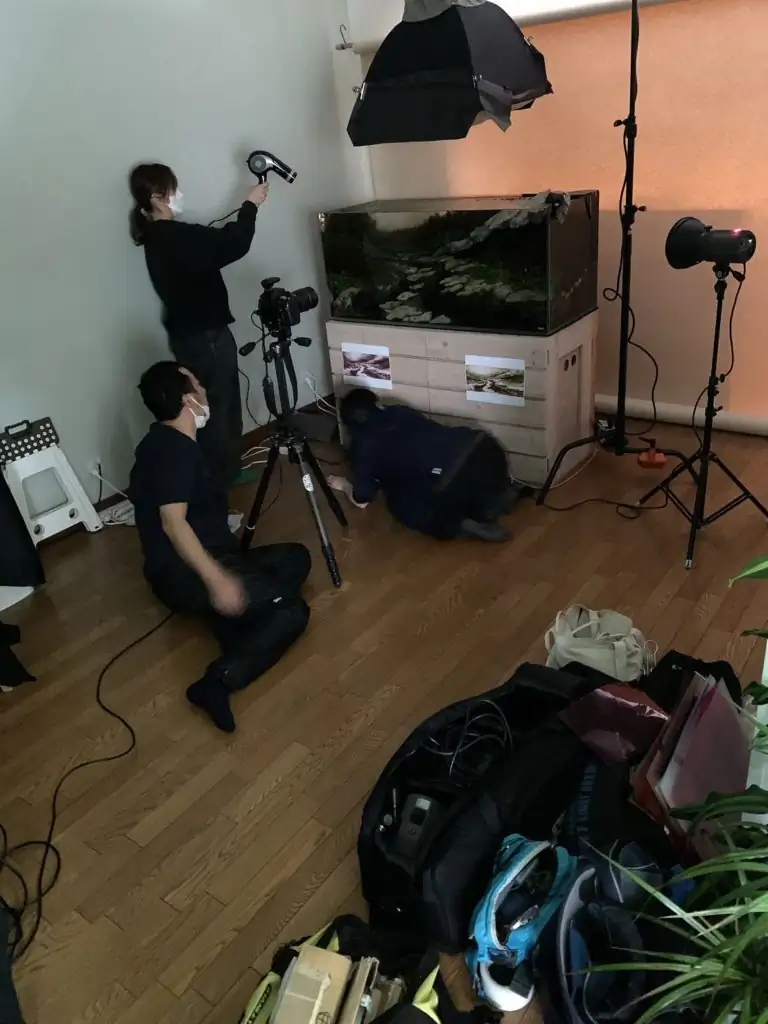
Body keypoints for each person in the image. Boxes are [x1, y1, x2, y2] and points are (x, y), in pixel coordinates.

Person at [129, 361, 311, 733]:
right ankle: (217, 680)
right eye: (198, 385)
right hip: (182, 573)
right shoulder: (172, 452)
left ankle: (237, 618)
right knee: (291, 611)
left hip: (217, 553)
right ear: (187, 400)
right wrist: (218, 581)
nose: (205, 391)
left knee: (296, 558)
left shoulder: (169, 440)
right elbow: (173, 524)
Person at [128, 162, 269, 486]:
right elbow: (232, 244)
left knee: (206, 404)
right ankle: (223, 477)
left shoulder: (158, 238)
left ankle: (220, 473)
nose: (179, 193)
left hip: (188, 334)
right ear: (157, 197)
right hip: (207, 336)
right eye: (173, 188)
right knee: (218, 404)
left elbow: (213, 242)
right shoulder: (174, 237)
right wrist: (250, 205)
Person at [330, 388, 525, 542]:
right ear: (377, 404)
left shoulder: (362, 448)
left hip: (451, 481)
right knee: (451, 473)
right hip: (486, 449)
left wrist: (344, 485)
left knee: (400, 503)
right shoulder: (400, 411)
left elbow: (362, 500)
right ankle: (497, 495)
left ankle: (461, 525)